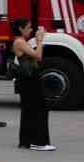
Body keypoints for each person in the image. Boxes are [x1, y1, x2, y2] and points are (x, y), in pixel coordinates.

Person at [12, 17, 54, 151]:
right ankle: (37, 142)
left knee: (30, 109)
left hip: (30, 78)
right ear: (21, 28)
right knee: (38, 108)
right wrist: (40, 40)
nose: (31, 30)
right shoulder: (19, 41)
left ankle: (27, 140)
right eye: (28, 27)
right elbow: (38, 55)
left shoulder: (22, 41)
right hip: (29, 79)